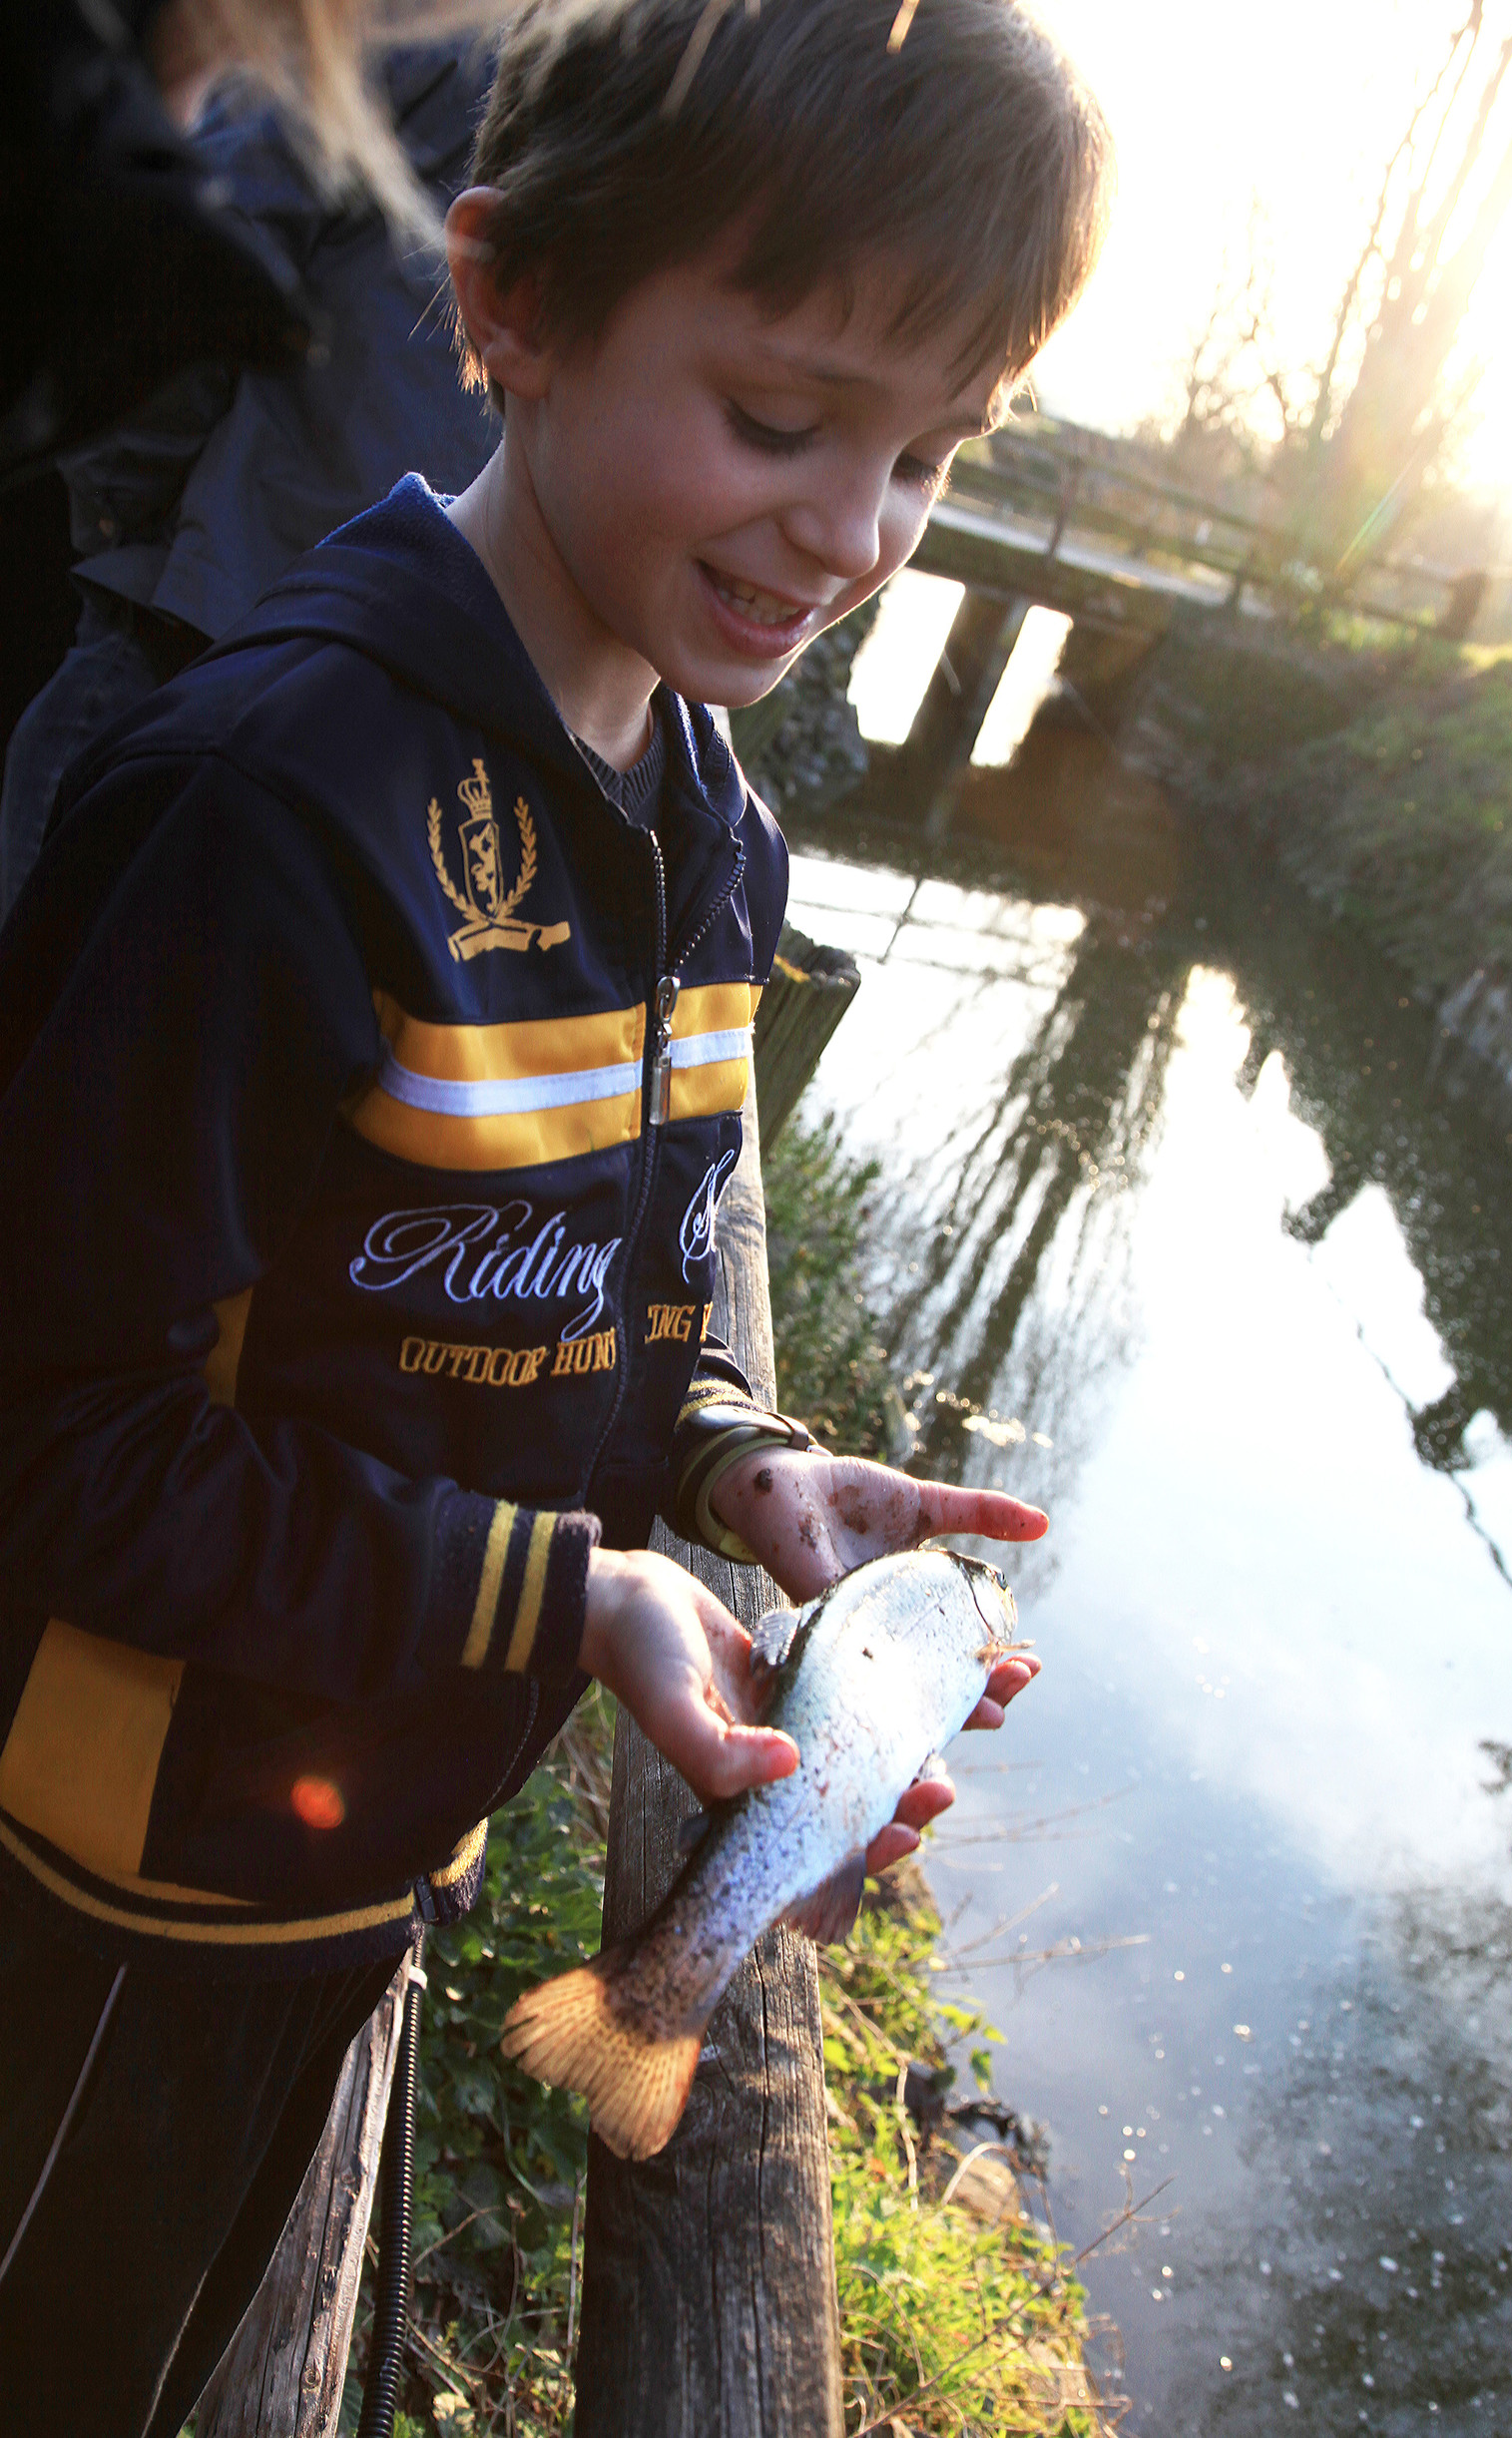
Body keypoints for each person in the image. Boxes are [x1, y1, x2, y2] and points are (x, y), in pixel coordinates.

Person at [0, 2, 1113, 2429]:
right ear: (502, 297)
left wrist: (720, 1462)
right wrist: (573, 1596)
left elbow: (591, 1290)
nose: (857, 536)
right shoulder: (270, 810)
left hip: (361, 1844)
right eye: (784, 420)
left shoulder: (710, 831)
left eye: (930, 456)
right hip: (108, 1887)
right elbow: (60, 1447)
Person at [0, 37, 499, 914]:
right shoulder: (674, 70)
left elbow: (197, 237)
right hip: (410, 703)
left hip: (201, 617)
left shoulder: (461, 29)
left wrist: (130, 517)